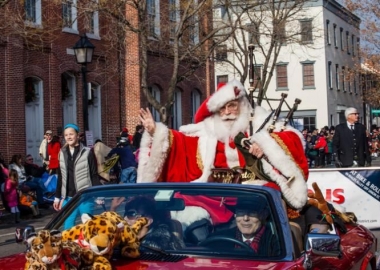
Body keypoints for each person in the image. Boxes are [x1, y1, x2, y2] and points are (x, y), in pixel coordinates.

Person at [138, 79, 309, 217]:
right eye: (222, 108)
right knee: (189, 207)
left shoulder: (259, 122)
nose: (227, 112)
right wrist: (156, 132)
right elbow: (181, 143)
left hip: (253, 193)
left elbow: (293, 138)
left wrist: (264, 144)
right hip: (216, 195)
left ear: (241, 105)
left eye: (232, 106)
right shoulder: (207, 132)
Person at [53, 123, 102, 229]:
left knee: (89, 227)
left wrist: (98, 194)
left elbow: (93, 174)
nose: (69, 137)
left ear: (77, 135)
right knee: (67, 228)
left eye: (71, 134)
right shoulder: (62, 153)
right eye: (66, 135)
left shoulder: (87, 152)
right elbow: (61, 176)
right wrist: (57, 198)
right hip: (69, 198)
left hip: (85, 196)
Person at [206, 196, 280, 256]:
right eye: (240, 213)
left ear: (263, 215)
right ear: (235, 216)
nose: (245, 218)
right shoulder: (219, 239)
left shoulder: (275, 241)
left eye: (252, 213)